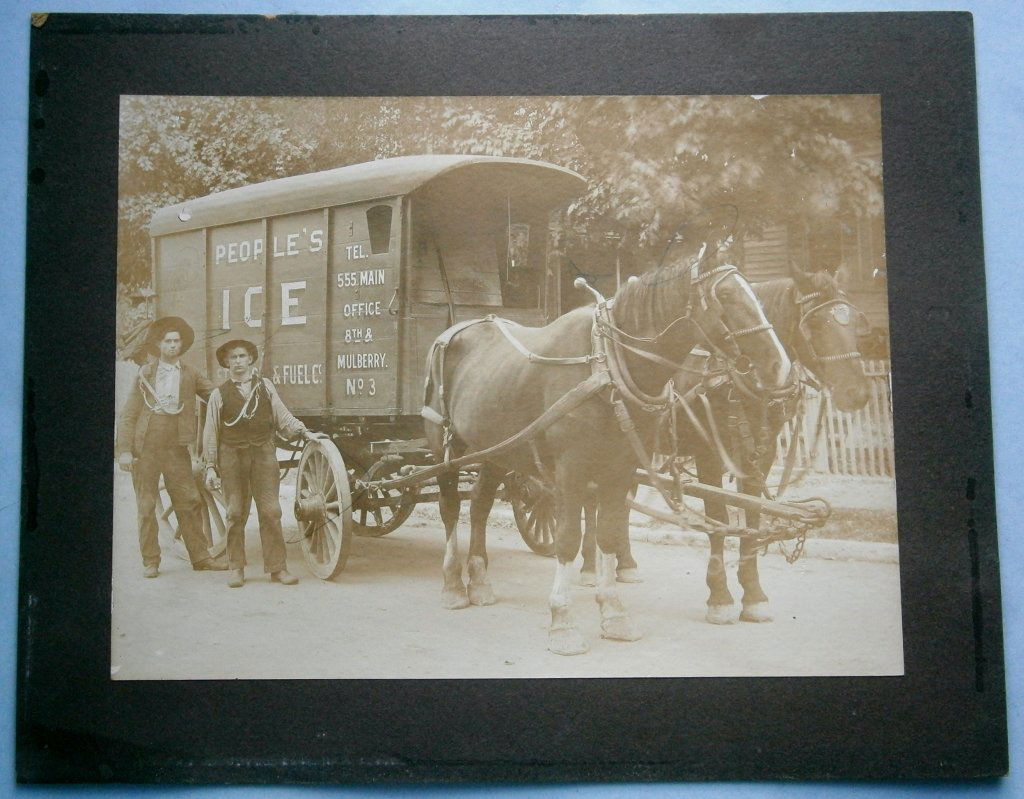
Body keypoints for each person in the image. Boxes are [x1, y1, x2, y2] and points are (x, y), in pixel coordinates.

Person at [115, 317, 227, 578]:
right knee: (145, 507)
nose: (173, 346)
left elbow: (214, 396)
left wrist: (240, 395)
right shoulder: (145, 374)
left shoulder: (191, 374)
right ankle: (151, 561)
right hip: (145, 450)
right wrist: (125, 450)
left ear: (182, 345)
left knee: (189, 502)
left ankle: (201, 558)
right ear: (159, 344)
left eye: (177, 341)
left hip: (176, 450)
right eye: (168, 341)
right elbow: (129, 414)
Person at [202, 338, 315, 588]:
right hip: (232, 457)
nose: (238, 362)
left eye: (242, 356)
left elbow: (282, 416)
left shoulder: (265, 387)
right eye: (233, 358)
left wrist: (305, 432)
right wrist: (210, 466)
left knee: (271, 511)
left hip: (263, 455)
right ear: (226, 363)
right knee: (234, 512)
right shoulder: (218, 395)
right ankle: (237, 568)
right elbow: (211, 433)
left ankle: (278, 568)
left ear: (251, 359)